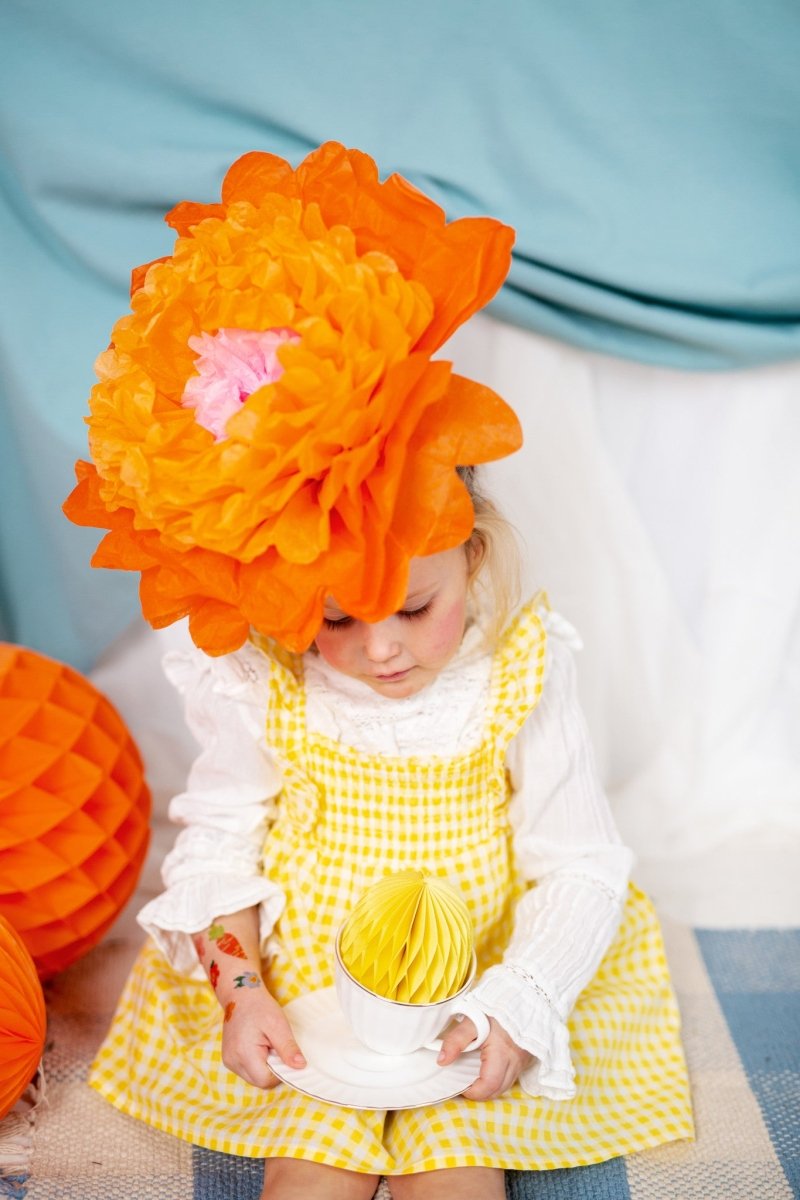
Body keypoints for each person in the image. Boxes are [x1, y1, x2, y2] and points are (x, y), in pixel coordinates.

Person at [67, 142, 693, 1200]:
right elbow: (222, 838)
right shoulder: (265, 675)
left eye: (413, 607)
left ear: (475, 558)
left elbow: (580, 863)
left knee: (458, 1180)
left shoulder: (524, 665)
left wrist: (516, 999)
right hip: (311, 1001)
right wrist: (242, 992)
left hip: (468, 991)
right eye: (333, 622)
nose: (381, 649)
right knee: (306, 1180)